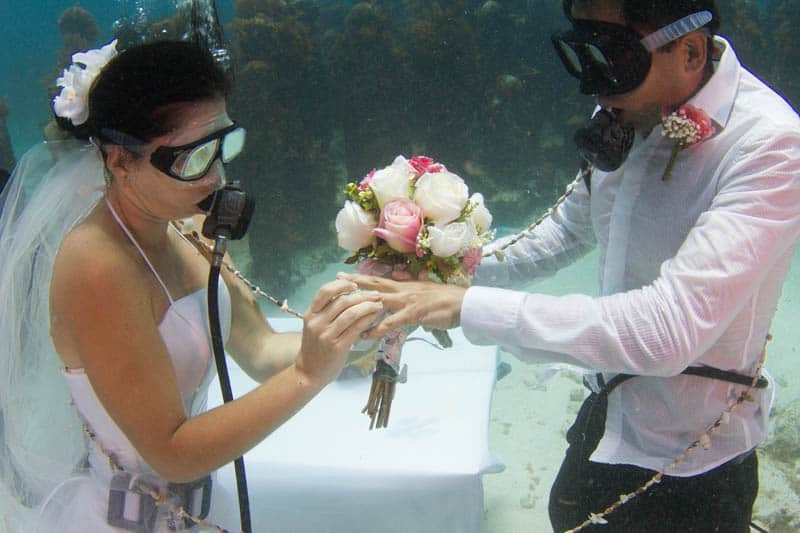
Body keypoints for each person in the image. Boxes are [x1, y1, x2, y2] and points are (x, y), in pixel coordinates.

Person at [342, 0, 800, 531]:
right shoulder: (626, 107)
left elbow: (668, 331)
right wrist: (439, 268)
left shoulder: (770, 147)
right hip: (607, 416)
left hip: (693, 459)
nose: (594, 86)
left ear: (690, 50)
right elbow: (564, 232)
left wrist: (465, 306)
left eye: (612, 56)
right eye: (582, 53)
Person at [0, 39, 382, 532]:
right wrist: (309, 373)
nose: (217, 176)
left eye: (225, 145)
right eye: (193, 158)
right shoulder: (96, 264)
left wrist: (356, 332)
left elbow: (262, 350)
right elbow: (172, 452)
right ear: (119, 161)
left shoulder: (181, 226)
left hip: (200, 510)